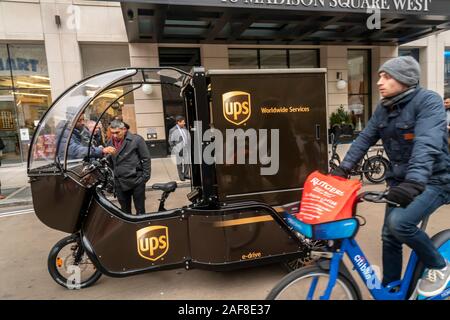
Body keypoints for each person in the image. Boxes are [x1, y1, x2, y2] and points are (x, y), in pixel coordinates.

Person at [331, 56, 450, 297]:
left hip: (434, 180)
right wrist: (342, 170)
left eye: (386, 76)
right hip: (401, 182)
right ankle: (392, 286)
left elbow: (426, 144)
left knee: (400, 224)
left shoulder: (428, 101)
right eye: (379, 76)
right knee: (388, 235)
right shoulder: (384, 108)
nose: (379, 82)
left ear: (405, 79)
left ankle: (439, 266)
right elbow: (365, 138)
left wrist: (414, 182)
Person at [107, 120, 151, 215]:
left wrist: (144, 178)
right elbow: (110, 162)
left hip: (136, 180)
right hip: (120, 183)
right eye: (112, 133)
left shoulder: (137, 140)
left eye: (117, 132)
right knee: (125, 212)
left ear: (124, 130)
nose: (114, 135)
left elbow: (146, 158)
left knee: (140, 211)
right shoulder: (109, 142)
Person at [169, 115, 191, 181]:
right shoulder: (172, 130)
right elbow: (170, 140)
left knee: (187, 162)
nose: (184, 123)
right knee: (179, 164)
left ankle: (186, 174)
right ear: (178, 122)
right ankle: (181, 176)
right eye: (183, 122)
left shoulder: (184, 128)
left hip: (186, 148)